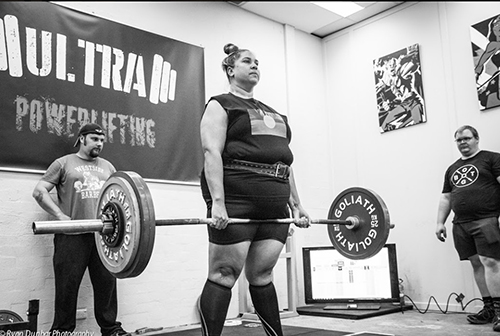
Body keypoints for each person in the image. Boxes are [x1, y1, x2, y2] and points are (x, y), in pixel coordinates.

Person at [197, 43, 310, 336]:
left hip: (275, 205)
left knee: (261, 274)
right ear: (230, 69)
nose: (255, 65)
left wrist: (297, 205)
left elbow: (285, 162)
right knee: (224, 274)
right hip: (236, 200)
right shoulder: (221, 104)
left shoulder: (276, 115)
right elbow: (211, 153)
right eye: (247, 61)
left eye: (257, 62)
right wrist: (217, 204)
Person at [32, 123, 127, 336]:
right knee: (67, 287)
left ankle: (111, 329)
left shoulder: (108, 167)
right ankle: (62, 331)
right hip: (71, 236)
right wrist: (59, 216)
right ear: (82, 139)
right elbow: (39, 191)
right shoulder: (64, 163)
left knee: (107, 286)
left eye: (102, 140)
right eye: (94, 139)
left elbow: (118, 197)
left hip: (103, 236)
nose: (99, 144)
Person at [435, 125, 500, 331]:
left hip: (486, 219)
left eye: (466, 138)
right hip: (461, 224)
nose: (463, 142)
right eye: (459, 140)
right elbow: (446, 196)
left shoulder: (492, 159)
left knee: (491, 262)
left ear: (476, 138)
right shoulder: (452, 168)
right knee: (476, 263)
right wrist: (439, 222)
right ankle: (489, 308)